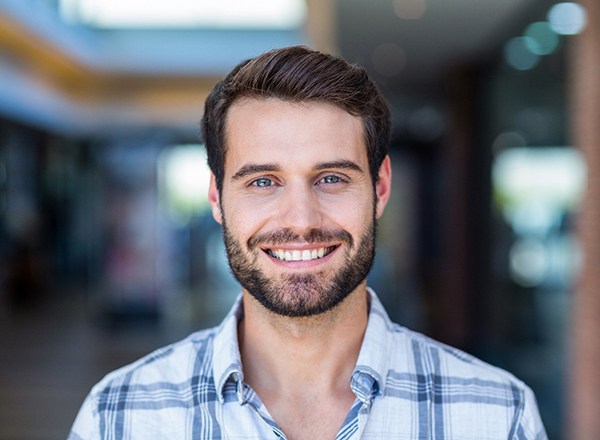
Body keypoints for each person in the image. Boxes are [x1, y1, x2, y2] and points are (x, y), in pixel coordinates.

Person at [69, 46, 547, 440]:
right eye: (262, 182)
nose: (300, 220)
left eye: (332, 178)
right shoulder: (119, 417)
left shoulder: (497, 415)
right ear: (217, 197)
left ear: (380, 188)